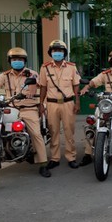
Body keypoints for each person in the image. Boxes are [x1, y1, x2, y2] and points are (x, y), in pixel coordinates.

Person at [0, 47, 49, 177]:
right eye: (14, 59)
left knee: (35, 133)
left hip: (28, 108)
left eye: (20, 59)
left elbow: (34, 85)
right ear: (10, 61)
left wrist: (31, 93)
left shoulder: (31, 74)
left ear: (24, 61)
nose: (17, 61)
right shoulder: (5, 75)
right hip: (10, 107)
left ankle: (43, 164)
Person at [39, 40, 81, 172]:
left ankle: (71, 157)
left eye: (60, 51)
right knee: (53, 131)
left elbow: (76, 85)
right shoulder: (45, 68)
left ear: (64, 53)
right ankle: (55, 158)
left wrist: (77, 101)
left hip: (68, 103)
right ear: (51, 53)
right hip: (51, 103)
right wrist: (41, 104)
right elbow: (43, 87)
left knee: (69, 131)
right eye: (55, 51)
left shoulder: (71, 67)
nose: (57, 53)